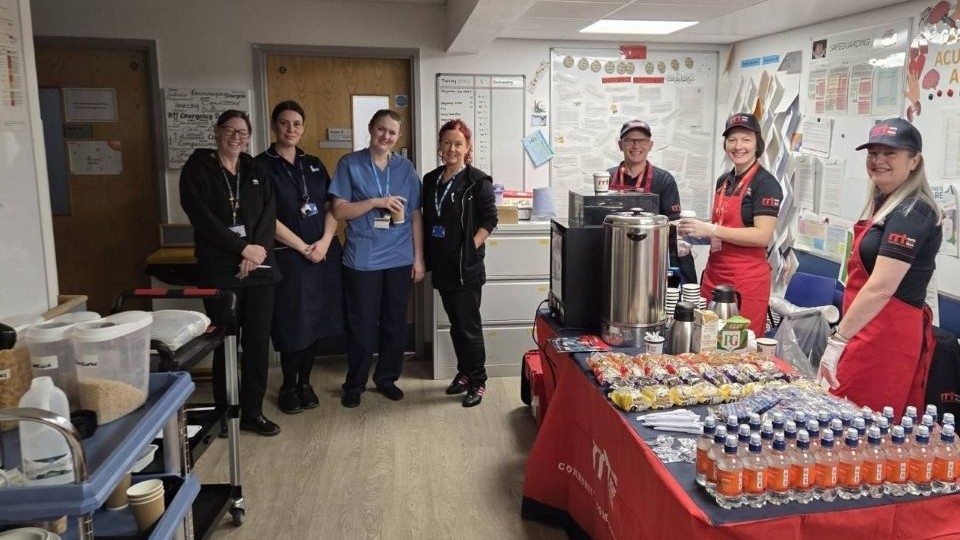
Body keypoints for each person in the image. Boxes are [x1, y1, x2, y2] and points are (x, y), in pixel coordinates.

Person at [818, 118, 941, 417]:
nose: (878, 160)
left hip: (886, 339)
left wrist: (838, 341)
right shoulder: (885, 203)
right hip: (862, 328)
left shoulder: (913, 211)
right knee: (842, 414)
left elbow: (882, 287)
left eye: (890, 153)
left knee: (861, 423)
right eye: (873, 153)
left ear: (914, 161)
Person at [179, 110, 282, 436]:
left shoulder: (256, 169)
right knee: (225, 341)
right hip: (220, 269)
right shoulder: (198, 169)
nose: (236, 137)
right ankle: (225, 411)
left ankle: (252, 411)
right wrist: (242, 249)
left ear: (249, 137)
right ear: (217, 132)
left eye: (243, 132)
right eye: (230, 130)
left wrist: (257, 250)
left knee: (257, 343)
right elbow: (202, 219)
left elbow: (269, 213)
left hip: (260, 268)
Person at [330, 109, 425, 408]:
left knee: (395, 323)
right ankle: (355, 383)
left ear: (398, 136)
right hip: (363, 258)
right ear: (371, 128)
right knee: (362, 324)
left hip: (399, 256)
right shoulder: (350, 164)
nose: (386, 136)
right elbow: (339, 210)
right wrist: (374, 202)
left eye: (392, 132)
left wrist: (418, 258)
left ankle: (387, 378)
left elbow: (415, 215)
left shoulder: (405, 168)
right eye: (381, 129)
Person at [254, 100, 343, 415]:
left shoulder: (314, 163)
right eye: (284, 123)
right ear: (274, 126)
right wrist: (304, 248)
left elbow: (333, 207)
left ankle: (305, 382)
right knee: (293, 322)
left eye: (296, 124)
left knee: (317, 320)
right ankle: (288, 385)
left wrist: (325, 242)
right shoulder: (260, 166)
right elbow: (265, 217)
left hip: (323, 254)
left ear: (303, 128)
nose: (290, 129)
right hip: (289, 257)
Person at [679, 113, 782, 337]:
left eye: (746, 139)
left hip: (745, 282)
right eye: (732, 139)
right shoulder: (724, 181)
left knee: (739, 345)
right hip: (714, 275)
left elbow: (762, 236)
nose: (738, 146)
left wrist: (711, 229)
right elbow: (724, 228)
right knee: (706, 340)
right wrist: (692, 235)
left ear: (757, 143)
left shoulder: (766, 184)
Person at [422, 120, 498, 407]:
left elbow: (490, 220)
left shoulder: (478, 181)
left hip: (466, 269)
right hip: (442, 265)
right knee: (455, 325)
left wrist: (469, 248)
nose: (451, 149)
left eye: (458, 144)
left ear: (467, 148)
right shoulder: (431, 179)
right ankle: (464, 372)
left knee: (468, 326)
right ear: (439, 146)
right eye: (446, 143)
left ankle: (478, 380)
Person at [608, 119, 697, 284]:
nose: (636, 146)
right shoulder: (606, 178)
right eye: (630, 140)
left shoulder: (664, 180)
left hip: (652, 259)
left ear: (650, 145)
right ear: (620, 145)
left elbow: (673, 224)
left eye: (642, 140)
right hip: (616, 256)